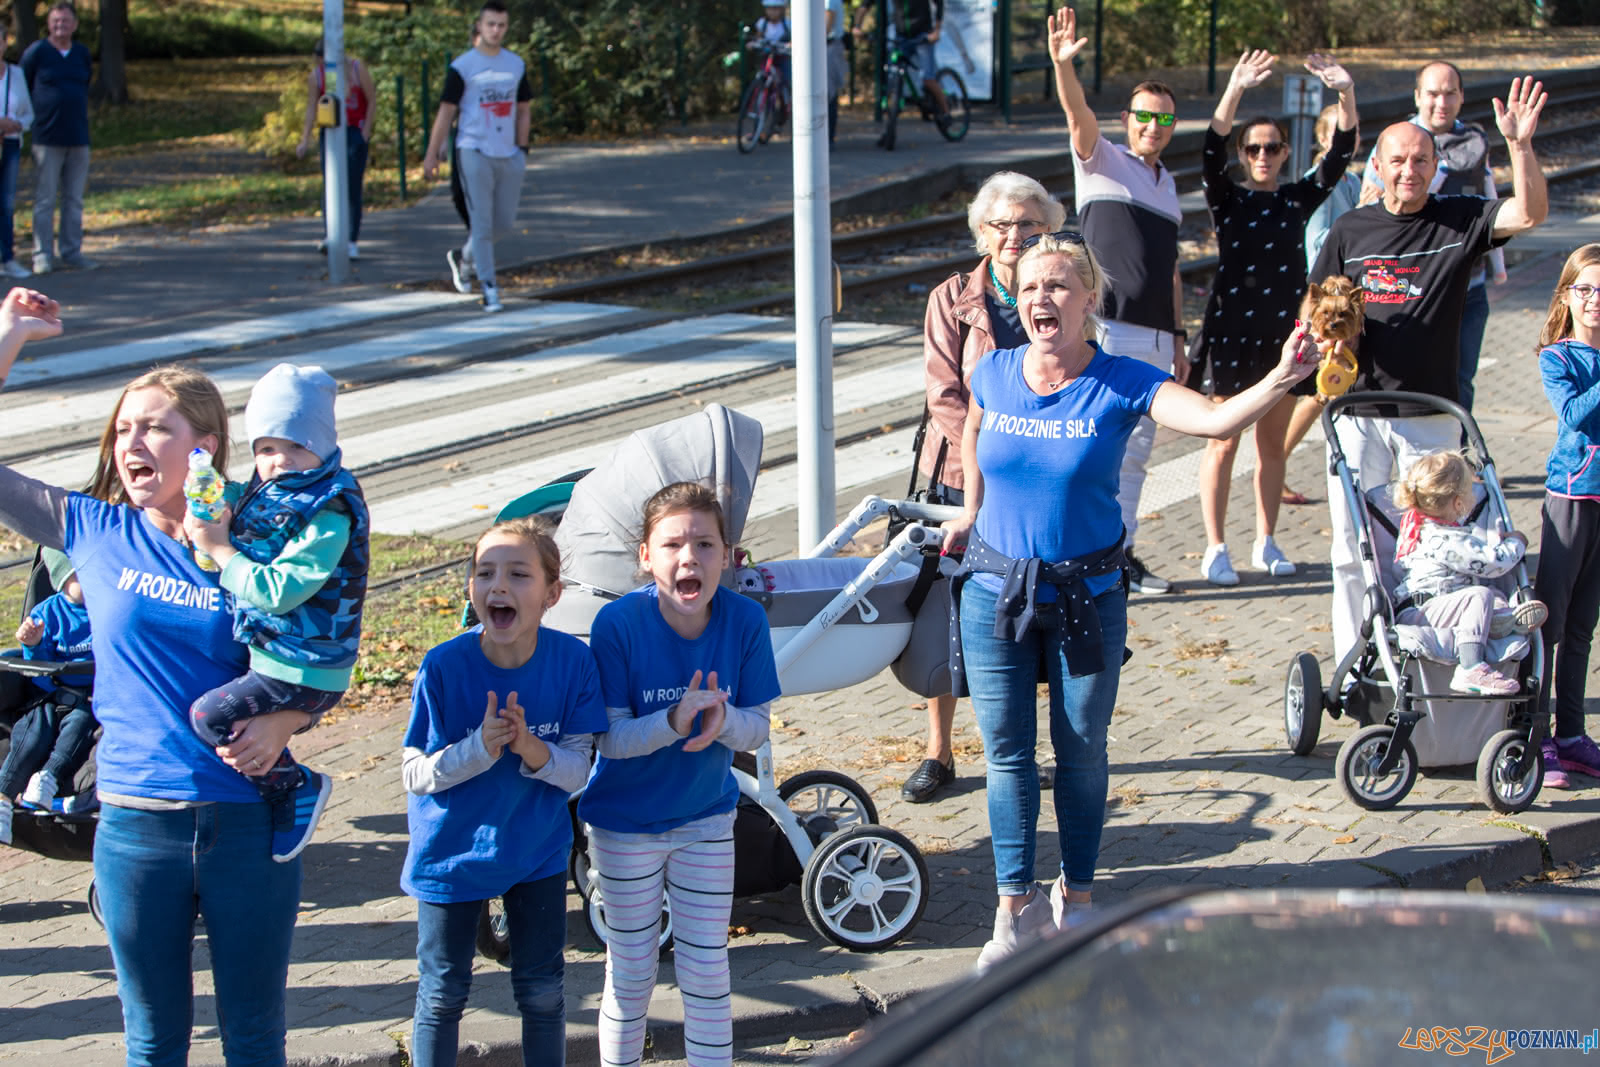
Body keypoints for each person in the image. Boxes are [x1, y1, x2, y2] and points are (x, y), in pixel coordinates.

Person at [939, 233, 1318, 971]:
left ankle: (1075, 900)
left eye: (1059, 285)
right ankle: (1012, 909)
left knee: (1081, 753)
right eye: (1031, 286)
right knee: (1008, 754)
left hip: (1088, 592)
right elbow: (977, 428)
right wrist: (968, 508)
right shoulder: (993, 371)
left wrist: (1281, 378)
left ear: (1088, 300)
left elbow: (1211, 419)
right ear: (1016, 299)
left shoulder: (1122, 379)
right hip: (993, 590)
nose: (1043, 297)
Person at [0, 296, 317, 1063]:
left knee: (253, 1036)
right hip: (136, 823)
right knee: (153, 1040)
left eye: (154, 427)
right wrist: (7, 338)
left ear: (203, 446)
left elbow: (326, 643)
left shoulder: (259, 535)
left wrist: (290, 721)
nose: (130, 441)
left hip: (247, 820)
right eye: (123, 428)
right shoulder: (96, 530)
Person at [1310, 76, 1547, 669]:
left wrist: (1519, 145)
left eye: (1420, 160)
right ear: (1378, 167)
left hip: (1430, 418)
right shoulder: (1351, 230)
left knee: (1434, 542)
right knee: (1353, 545)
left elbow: (1531, 212)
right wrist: (1318, 341)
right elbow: (1312, 305)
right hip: (1357, 415)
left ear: (1436, 165)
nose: (1408, 170)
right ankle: (1359, 658)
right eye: (1397, 160)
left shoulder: (1457, 220)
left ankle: (1431, 656)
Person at [579, 482, 781, 1067]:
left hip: (706, 821)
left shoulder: (744, 621)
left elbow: (759, 730)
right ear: (645, 556)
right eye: (671, 544)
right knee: (632, 970)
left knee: (707, 969)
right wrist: (674, 719)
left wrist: (721, 721)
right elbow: (611, 741)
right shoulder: (617, 624)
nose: (688, 556)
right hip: (623, 829)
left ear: (728, 554)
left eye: (704, 543)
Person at [401, 517, 607, 1067]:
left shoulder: (573, 662)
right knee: (443, 995)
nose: (499, 586)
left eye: (519, 574)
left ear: (551, 593)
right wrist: (477, 750)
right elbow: (414, 773)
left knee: (541, 993)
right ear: (472, 588)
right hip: (450, 857)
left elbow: (581, 772)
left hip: (535, 854)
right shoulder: (444, 666)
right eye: (484, 572)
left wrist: (531, 751)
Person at [903, 170, 1066, 805]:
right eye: (1001, 225)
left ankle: (1041, 750)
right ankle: (938, 752)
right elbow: (945, 395)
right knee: (944, 615)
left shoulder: (1061, 288)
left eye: (1029, 224)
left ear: (1049, 229)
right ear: (981, 233)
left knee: (1038, 611)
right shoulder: (952, 298)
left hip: (1040, 479)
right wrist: (989, 460)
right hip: (960, 477)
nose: (1015, 236)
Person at [182, 363, 368, 863]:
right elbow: (224, 550)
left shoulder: (329, 510)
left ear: (325, 447)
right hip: (282, 654)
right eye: (266, 448)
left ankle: (293, 786)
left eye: (295, 445)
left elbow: (280, 590)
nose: (279, 460)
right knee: (225, 719)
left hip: (306, 662)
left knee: (207, 716)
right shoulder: (271, 493)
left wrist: (221, 551)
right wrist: (208, 532)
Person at [1191, 50, 1356, 585]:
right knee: (1222, 441)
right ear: (1245, 154)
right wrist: (1234, 87)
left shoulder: (1295, 200)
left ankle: (1266, 539)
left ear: (1285, 153)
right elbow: (1209, 152)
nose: (1263, 155)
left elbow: (1339, 156)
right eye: (1254, 148)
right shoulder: (1228, 200)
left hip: (1282, 336)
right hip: (1232, 334)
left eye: (1272, 148)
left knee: (1271, 446)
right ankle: (1215, 547)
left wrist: (1345, 93)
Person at [1049, 5, 1183, 594]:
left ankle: (1121, 557)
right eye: (1144, 117)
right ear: (1126, 120)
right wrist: (1063, 68)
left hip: (1156, 333)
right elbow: (1077, 115)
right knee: (1101, 447)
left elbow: (1172, 269)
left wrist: (1179, 336)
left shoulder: (1168, 183)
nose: (1153, 126)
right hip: (1110, 325)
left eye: (1164, 119)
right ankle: (1090, 557)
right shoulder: (1102, 160)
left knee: (1139, 451)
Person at [1361, 61, 1508, 414]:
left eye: (1449, 93)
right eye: (1432, 93)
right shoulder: (1395, 142)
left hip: (1469, 288)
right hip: (1409, 291)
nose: (1441, 102)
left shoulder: (1474, 140)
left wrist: (1499, 266)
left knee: (1460, 381)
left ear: (1460, 98)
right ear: (1417, 97)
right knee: (1402, 378)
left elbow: (1489, 196)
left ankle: (1460, 459)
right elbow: (1367, 213)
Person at [1390, 450, 1544, 695]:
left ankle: (1499, 620)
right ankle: (1470, 665)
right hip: (1421, 611)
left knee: (1491, 596)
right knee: (1479, 595)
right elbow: (1494, 562)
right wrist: (1517, 543)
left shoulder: (1419, 526)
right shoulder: (1445, 540)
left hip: (1437, 605)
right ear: (1458, 502)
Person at [1533, 244, 1600, 789]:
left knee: (1582, 626)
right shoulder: (1557, 357)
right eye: (1586, 290)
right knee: (1550, 624)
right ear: (1568, 297)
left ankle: (1572, 735)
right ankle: (1536, 739)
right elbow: (1574, 415)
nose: (1595, 301)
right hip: (1570, 500)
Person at [422, 1, 532, 314]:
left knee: (504, 223)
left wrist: (522, 149)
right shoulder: (463, 67)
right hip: (473, 149)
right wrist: (433, 153)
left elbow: (523, 110)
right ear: (479, 27)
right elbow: (446, 113)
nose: (496, 30)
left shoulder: (515, 65)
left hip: (507, 152)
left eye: (501, 25)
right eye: (491, 24)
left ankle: (464, 257)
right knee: (481, 222)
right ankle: (490, 288)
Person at [1281, 102, 1366, 504]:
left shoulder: (1351, 180)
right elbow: (1318, 243)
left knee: (1325, 389)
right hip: (1326, 297)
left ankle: (1277, 463)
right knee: (1318, 389)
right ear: (1321, 138)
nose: (1348, 138)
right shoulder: (1320, 182)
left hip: (1343, 294)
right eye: (1336, 131)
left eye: (1352, 130)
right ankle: (1275, 463)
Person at [0, 550, 93, 844]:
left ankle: (47, 778)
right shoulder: (46, 614)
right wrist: (34, 644)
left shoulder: (106, 609)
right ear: (62, 580)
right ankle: (3, 796)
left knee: (78, 726)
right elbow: (36, 670)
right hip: (49, 692)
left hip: (89, 695)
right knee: (31, 730)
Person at [21, 2, 92, 274]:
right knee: (45, 199)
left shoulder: (82, 54)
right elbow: (25, 86)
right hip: (46, 137)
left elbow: (85, 84)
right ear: (48, 24)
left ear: (74, 25)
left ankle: (72, 252)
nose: (60, 25)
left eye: (65, 21)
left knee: (74, 200)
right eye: (55, 21)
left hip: (78, 136)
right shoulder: (37, 53)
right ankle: (42, 256)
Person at [297, 40, 376, 261]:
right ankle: (331, 235)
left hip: (354, 131)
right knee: (331, 184)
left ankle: (351, 239)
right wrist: (305, 139)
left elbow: (371, 100)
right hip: (330, 132)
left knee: (351, 185)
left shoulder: (357, 69)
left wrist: (365, 132)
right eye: (318, 59)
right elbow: (313, 106)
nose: (321, 63)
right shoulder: (320, 75)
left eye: (324, 58)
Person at [882, 0, 950, 143]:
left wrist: (936, 31)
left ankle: (946, 112)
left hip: (923, 35)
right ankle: (889, 127)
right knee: (894, 73)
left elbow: (939, 4)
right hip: (902, 37)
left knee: (927, 78)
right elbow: (867, 4)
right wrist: (858, 26)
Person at [0, 25, 33, 280]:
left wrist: (18, 124)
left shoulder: (16, 74)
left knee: (6, 203)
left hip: (10, 144)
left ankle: (7, 257)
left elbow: (29, 113)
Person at [751, 2, 792, 124]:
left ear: (782, 9)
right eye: (770, 9)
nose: (773, 12)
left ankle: (785, 107)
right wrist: (754, 44)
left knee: (786, 82)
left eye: (776, 9)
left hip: (782, 58)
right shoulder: (762, 24)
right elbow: (758, 38)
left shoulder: (788, 24)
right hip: (768, 58)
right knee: (763, 80)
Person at [824, 0, 846, 145]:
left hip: (829, 46)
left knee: (828, 93)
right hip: (826, 44)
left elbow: (827, 21)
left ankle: (828, 137)